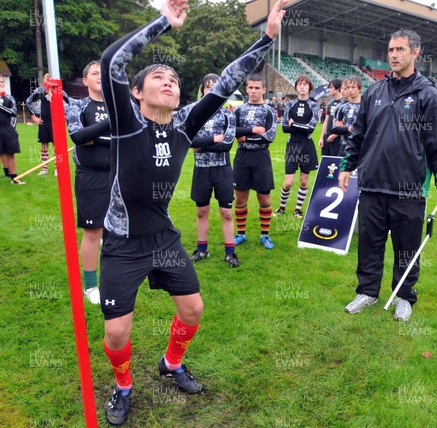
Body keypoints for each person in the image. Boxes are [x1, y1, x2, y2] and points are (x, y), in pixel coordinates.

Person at [98, 0, 286, 424]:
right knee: (116, 331)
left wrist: (267, 39)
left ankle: (171, 362)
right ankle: (124, 385)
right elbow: (113, 61)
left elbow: (227, 82)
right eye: (159, 78)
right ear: (137, 91)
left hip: (162, 238)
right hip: (123, 241)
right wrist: (165, 22)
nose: (169, 83)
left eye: (174, 80)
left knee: (193, 309)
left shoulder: (183, 123)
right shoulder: (127, 120)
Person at [338, 30, 437, 323]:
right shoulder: (374, 91)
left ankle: (404, 296)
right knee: (369, 244)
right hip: (373, 184)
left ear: (415, 52)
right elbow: (358, 134)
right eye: (390, 49)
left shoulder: (427, 94)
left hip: (409, 189)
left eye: (400, 49)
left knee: (406, 248)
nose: (394, 54)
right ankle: (367, 292)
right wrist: (346, 167)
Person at [66, 60, 111, 304]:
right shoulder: (77, 106)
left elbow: (126, 140)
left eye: (103, 74)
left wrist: (94, 136)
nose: (100, 77)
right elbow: (77, 135)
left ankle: (114, 278)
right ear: (85, 80)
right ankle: (91, 285)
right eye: (95, 73)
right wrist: (107, 128)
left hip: (117, 175)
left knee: (117, 231)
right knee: (93, 232)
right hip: (90, 176)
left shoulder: (120, 105)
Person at [190, 74, 239, 268]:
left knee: (226, 212)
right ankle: (201, 250)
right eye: (207, 86)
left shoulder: (228, 113)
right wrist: (212, 140)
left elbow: (227, 145)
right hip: (201, 170)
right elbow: (189, 142)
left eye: (214, 86)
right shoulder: (195, 113)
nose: (210, 89)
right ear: (202, 90)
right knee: (202, 211)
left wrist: (201, 146)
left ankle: (230, 252)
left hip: (222, 170)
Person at [232, 74, 278, 249]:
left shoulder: (269, 111)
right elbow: (232, 131)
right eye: (250, 87)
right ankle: (241, 233)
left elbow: (269, 136)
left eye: (257, 88)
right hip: (242, 158)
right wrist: (252, 132)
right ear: (246, 89)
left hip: (261, 158)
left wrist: (245, 138)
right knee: (240, 199)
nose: (253, 91)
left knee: (264, 199)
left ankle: (265, 236)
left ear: (264, 90)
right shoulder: (239, 110)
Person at [274, 74, 319, 219]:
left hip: (307, 145)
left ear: (310, 88)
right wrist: (300, 126)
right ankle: (281, 207)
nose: (302, 86)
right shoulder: (290, 105)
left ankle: (297, 210)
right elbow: (285, 128)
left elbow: (311, 128)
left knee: (304, 181)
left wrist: (294, 124)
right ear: (296, 87)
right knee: (288, 182)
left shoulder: (313, 105)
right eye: (300, 84)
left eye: (305, 84)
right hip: (293, 145)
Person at [26, 73, 70, 176]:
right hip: (44, 122)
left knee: (57, 146)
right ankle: (44, 168)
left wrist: (65, 114)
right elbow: (28, 101)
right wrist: (34, 117)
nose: (49, 81)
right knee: (44, 145)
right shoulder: (40, 91)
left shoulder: (59, 90)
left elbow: (69, 102)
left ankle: (57, 168)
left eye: (51, 78)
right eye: (47, 79)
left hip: (56, 122)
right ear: (44, 80)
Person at [0, 76, 25, 185]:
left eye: (1, 82)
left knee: (10, 153)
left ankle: (14, 178)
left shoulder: (9, 98)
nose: (0, 83)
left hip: (6, 128)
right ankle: (6, 172)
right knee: (1, 152)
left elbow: (13, 112)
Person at [331, 76, 362, 156]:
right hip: (344, 147)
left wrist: (343, 128)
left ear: (359, 89)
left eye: (353, 87)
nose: (350, 90)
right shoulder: (343, 107)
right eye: (348, 87)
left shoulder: (365, 107)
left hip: (360, 147)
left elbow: (365, 129)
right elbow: (334, 129)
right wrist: (348, 128)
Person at [317, 79, 343, 157]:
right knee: (325, 162)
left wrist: (335, 135)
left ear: (338, 88)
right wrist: (322, 137)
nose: (329, 90)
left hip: (337, 138)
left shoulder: (344, 103)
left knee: (335, 163)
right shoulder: (330, 103)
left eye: (331, 87)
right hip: (327, 136)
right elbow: (326, 120)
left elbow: (344, 122)